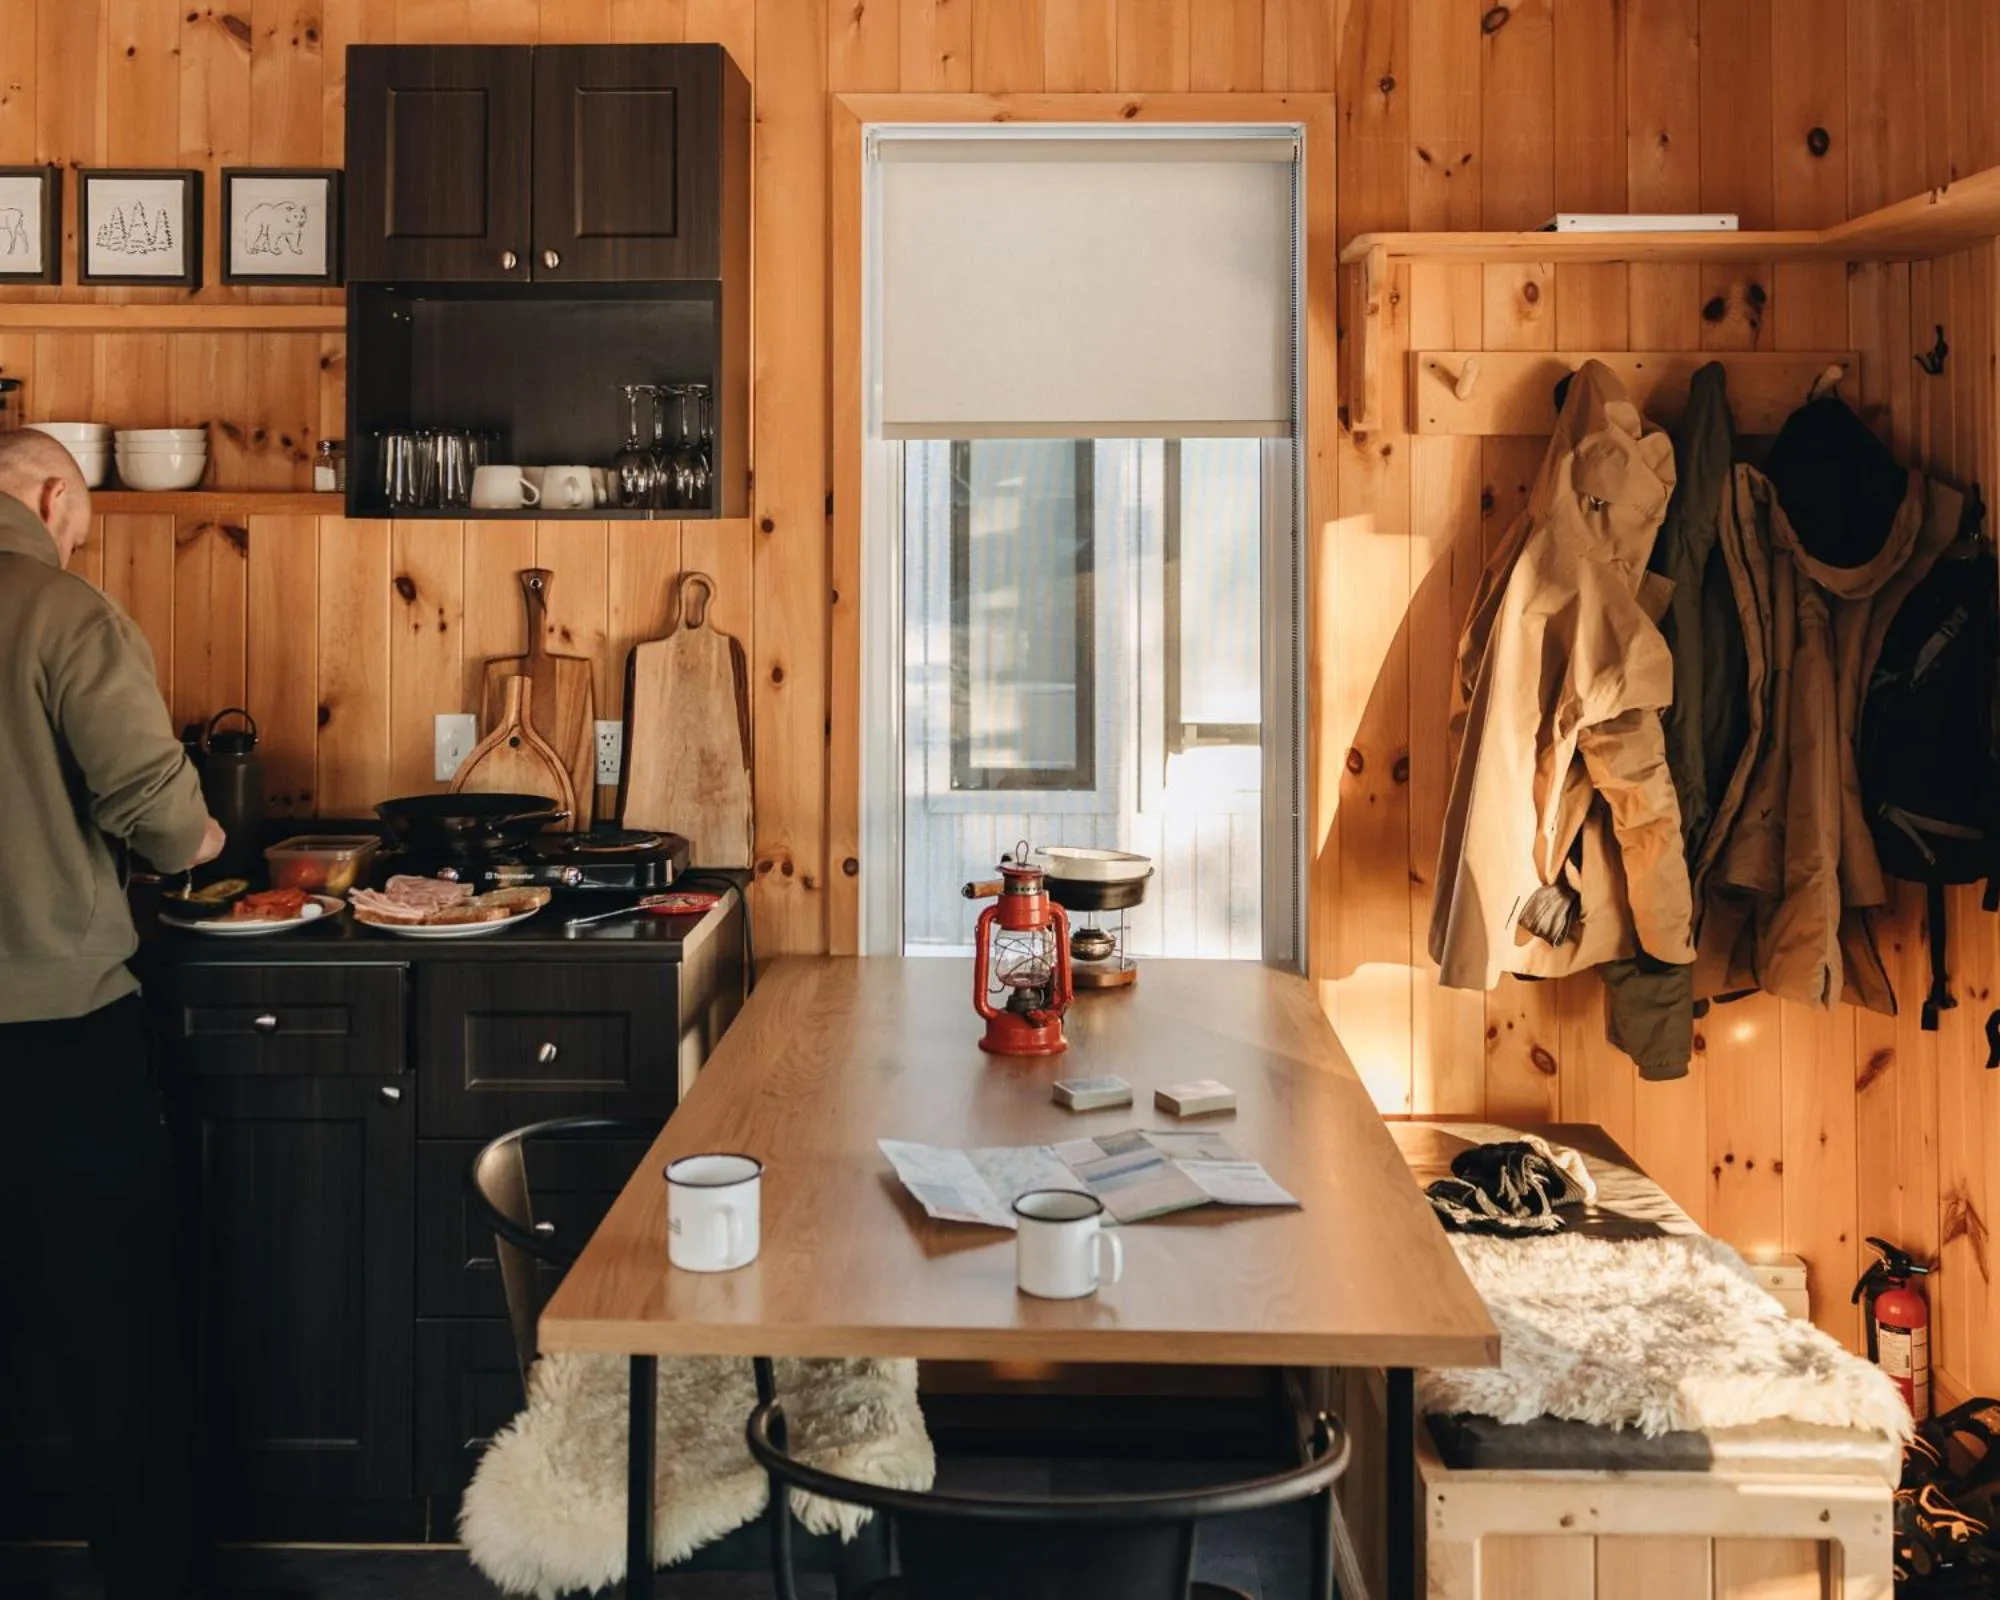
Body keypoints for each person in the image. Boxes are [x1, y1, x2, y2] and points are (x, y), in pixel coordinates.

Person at [0, 428, 223, 1599]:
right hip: (52, 1044)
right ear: (51, 495)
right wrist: (205, 835)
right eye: (78, 514)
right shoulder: (63, 613)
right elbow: (161, 817)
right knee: (112, 1342)